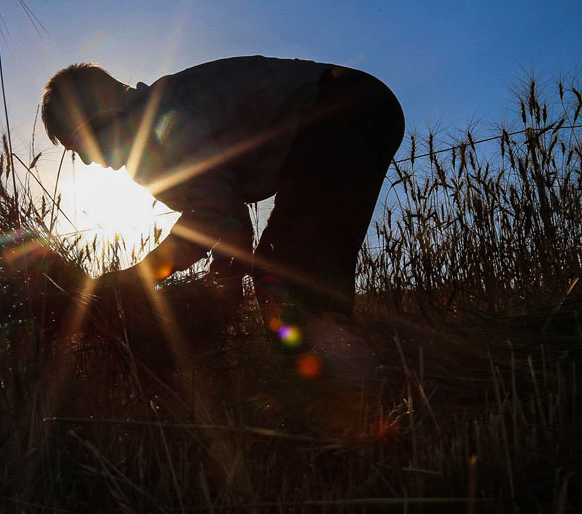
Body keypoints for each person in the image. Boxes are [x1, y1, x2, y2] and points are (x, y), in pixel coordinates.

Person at [40, 56, 404, 340]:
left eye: (81, 142)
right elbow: (228, 218)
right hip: (344, 112)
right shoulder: (148, 154)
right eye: (75, 152)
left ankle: (348, 388)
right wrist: (223, 287)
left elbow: (212, 211)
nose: (86, 160)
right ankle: (326, 382)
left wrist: (137, 278)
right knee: (278, 268)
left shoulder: (161, 114)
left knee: (295, 271)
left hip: (345, 107)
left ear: (105, 110)